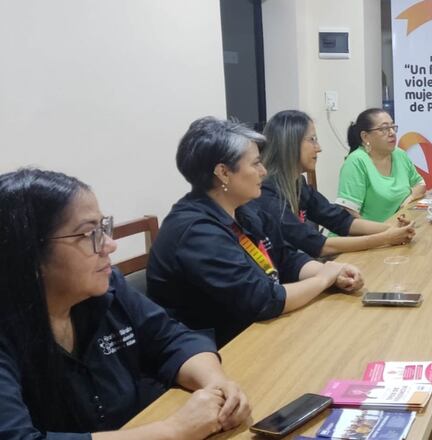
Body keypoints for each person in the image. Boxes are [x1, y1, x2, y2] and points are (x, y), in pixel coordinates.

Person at [0, 168, 250, 439]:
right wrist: (172, 431)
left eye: (103, 227)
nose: (109, 245)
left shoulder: (106, 287)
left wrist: (216, 384)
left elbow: (171, 338)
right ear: (29, 254)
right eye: (88, 234)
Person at [147, 117, 364, 347]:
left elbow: (285, 258)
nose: (263, 171)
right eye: (255, 164)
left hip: (259, 333)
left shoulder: (244, 209)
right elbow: (263, 301)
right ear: (223, 173)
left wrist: (333, 272)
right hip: (221, 350)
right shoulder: (196, 233)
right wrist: (323, 279)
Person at [246, 110, 416, 258]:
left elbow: (340, 220)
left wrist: (391, 228)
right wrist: (386, 237)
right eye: (312, 140)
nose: (318, 148)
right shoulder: (266, 194)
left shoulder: (298, 183)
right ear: (290, 144)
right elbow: (319, 246)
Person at [336, 108, 427, 222]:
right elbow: (349, 213)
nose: (392, 133)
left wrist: (409, 199)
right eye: (384, 129)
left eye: (393, 127)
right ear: (365, 136)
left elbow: (420, 184)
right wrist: (383, 233)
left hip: (396, 231)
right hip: (365, 236)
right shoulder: (356, 161)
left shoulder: (399, 154)